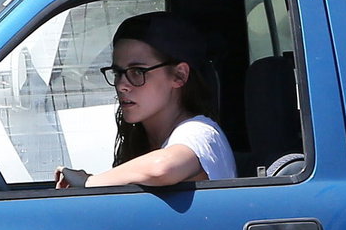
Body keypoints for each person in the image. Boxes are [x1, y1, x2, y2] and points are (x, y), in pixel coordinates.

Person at [56, 12, 236, 188]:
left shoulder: (200, 132)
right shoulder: (143, 140)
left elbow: (162, 168)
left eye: (137, 72)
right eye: (118, 73)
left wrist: (89, 182)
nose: (121, 86)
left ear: (179, 75)